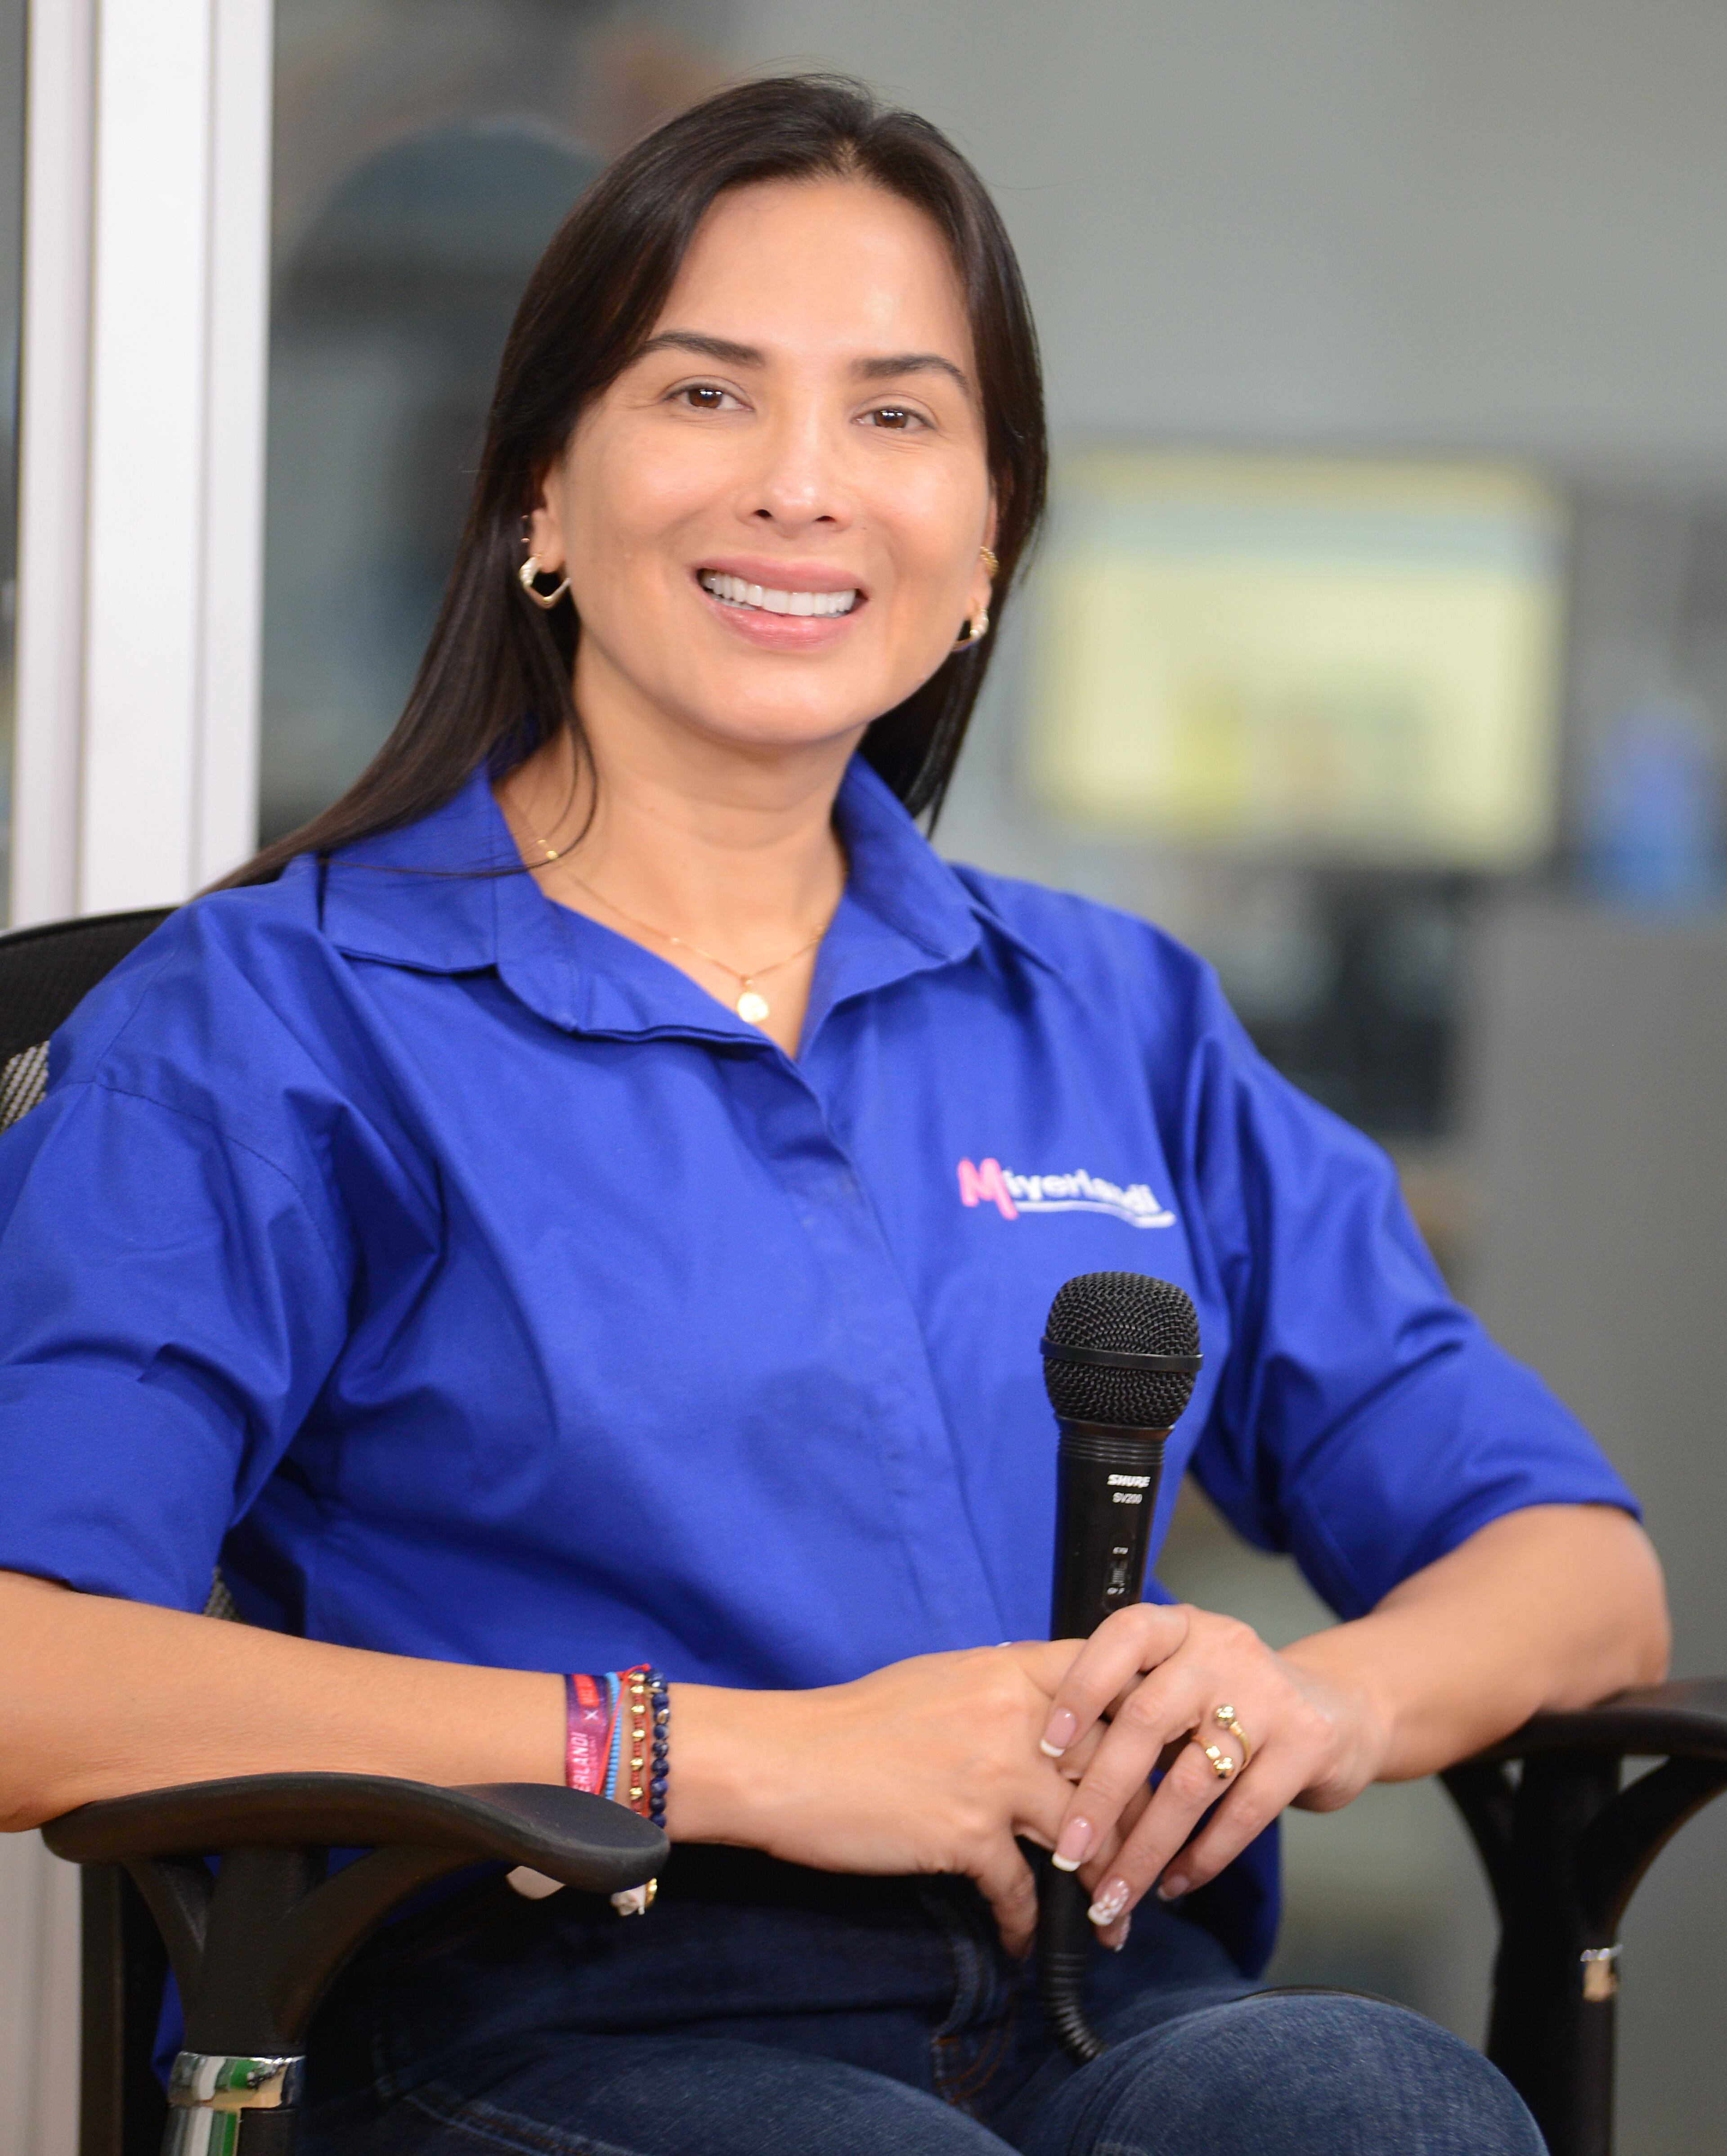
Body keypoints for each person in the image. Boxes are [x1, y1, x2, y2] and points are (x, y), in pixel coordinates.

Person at [0, 74, 1667, 2156]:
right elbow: (28, 1669)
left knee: (1383, 2107)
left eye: (896, 415)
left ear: (984, 540)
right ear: (537, 492)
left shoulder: (1109, 1013)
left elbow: (1577, 1568)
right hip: (528, 2009)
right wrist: (739, 1753)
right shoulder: (277, 1021)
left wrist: (1329, 1699)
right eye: (704, 395)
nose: (802, 485)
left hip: (1096, 1987)